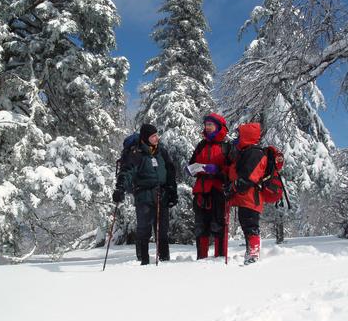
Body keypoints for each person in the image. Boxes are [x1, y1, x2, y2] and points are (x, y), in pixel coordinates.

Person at [112, 124, 178, 265]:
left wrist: (173, 191)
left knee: (162, 230)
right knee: (144, 229)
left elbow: (170, 172)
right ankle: (143, 260)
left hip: (162, 195)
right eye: (153, 136)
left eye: (157, 135)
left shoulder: (162, 152)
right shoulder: (137, 154)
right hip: (144, 196)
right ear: (146, 138)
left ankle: (164, 260)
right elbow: (127, 172)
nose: (156, 138)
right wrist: (120, 188)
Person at [188, 113, 231, 259]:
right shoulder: (201, 145)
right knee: (201, 225)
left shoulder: (226, 147)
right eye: (206, 124)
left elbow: (231, 171)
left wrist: (217, 170)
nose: (207, 127)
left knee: (218, 223)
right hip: (201, 190)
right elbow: (192, 163)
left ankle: (220, 256)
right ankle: (201, 257)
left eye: (210, 124)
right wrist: (192, 169)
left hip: (218, 190)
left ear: (219, 126)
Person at [228, 123, 267, 265]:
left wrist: (234, 187)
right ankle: (250, 252)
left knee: (250, 225)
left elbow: (249, 176)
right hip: (246, 197)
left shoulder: (255, 152)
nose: (237, 138)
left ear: (246, 136)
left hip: (251, 196)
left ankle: (253, 254)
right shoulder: (247, 151)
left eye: (240, 135)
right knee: (246, 223)